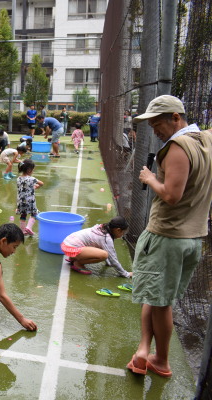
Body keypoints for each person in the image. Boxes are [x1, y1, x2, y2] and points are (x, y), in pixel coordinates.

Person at [126, 95, 212, 379]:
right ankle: (143, 349)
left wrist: (150, 179)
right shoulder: (205, 141)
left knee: (161, 302)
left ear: (177, 117)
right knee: (157, 295)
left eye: (158, 123)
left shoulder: (177, 147)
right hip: (193, 237)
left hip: (167, 236)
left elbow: (172, 196)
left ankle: (161, 360)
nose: (155, 131)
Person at [61, 216, 132, 277]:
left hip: (67, 243)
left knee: (103, 252)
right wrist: (126, 274)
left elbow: (105, 249)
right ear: (118, 230)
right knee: (104, 255)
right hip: (71, 248)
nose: (123, 234)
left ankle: (73, 258)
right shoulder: (106, 238)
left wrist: (108, 263)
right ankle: (78, 263)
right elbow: (113, 259)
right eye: (123, 232)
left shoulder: (103, 227)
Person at [16, 159, 43, 236]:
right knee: (35, 213)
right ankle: (29, 227)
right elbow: (41, 183)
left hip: (21, 201)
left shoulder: (18, 178)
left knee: (23, 214)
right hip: (30, 201)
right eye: (32, 169)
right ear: (29, 170)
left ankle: (23, 231)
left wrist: (32, 187)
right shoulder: (32, 179)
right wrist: (37, 186)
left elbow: (23, 187)